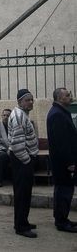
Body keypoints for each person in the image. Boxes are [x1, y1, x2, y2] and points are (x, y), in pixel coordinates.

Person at [8, 89, 39, 238]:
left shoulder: (22, 114)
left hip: (22, 159)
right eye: (27, 100)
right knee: (22, 194)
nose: (30, 102)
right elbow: (17, 144)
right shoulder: (20, 116)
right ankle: (21, 227)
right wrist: (27, 161)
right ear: (20, 102)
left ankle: (22, 221)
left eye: (32, 100)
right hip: (21, 160)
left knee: (24, 193)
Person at [46, 88, 77, 233]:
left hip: (64, 162)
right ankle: (61, 222)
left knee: (65, 191)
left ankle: (63, 218)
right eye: (67, 95)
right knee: (63, 191)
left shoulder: (61, 111)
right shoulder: (57, 114)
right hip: (63, 163)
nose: (70, 97)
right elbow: (61, 142)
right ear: (59, 98)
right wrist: (70, 162)